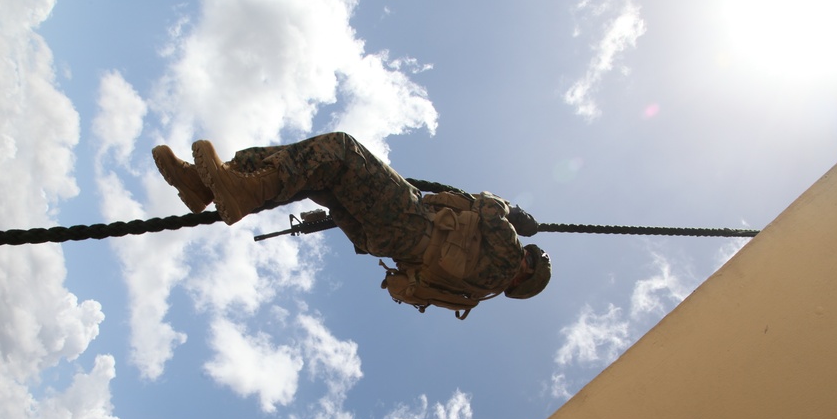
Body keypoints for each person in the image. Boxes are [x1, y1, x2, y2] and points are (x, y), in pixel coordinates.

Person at [152, 132, 550, 317]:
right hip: (386, 238)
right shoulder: (479, 289)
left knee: (340, 150)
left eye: (528, 264)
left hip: (412, 224)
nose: (524, 259)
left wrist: (509, 209)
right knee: (316, 172)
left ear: (521, 278)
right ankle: (210, 183)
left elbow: (490, 213)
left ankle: (239, 189)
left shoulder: (504, 261)